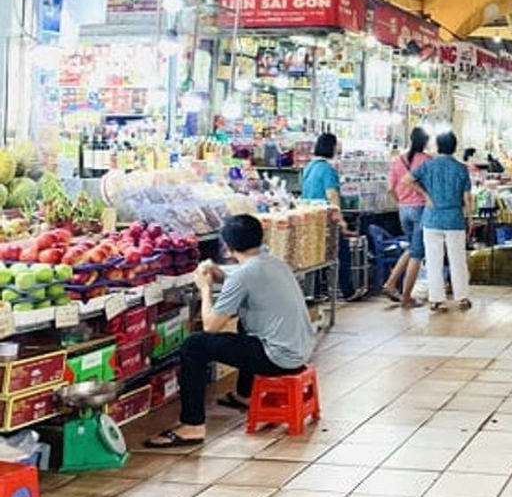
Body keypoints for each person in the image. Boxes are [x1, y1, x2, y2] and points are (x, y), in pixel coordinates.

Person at [145, 215, 315, 448]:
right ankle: (245, 394)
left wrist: (205, 289)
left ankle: (192, 425)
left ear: (227, 246)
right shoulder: (275, 262)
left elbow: (211, 326)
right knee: (246, 324)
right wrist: (220, 275)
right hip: (300, 350)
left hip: (277, 358)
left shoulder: (243, 275)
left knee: (195, 346)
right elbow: (245, 280)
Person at [405, 132, 473, 313]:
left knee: (433, 260)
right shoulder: (461, 168)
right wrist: (470, 218)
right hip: (454, 219)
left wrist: (425, 195)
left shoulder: (427, 166)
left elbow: (407, 180)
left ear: (437, 146)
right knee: (457, 259)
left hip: (432, 218)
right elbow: (467, 197)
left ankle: (437, 300)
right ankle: (462, 297)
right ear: (455, 147)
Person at [301, 133, 366, 301]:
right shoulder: (328, 169)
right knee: (342, 253)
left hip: (310, 217)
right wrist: (341, 221)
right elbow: (332, 196)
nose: (339, 147)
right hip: (326, 219)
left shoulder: (309, 167)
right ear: (331, 146)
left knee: (315, 255)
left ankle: (313, 292)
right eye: (337, 144)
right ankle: (348, 291)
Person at [382, 127, 432, 307]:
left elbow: (389, 188)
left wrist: (400, 201)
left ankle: (391, 283)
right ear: (425, 142)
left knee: (412, 248)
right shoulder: (427, 160)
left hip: (403, 210)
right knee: (417, 253)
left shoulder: (398, 160)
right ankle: (406, 296)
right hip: (420, 209)